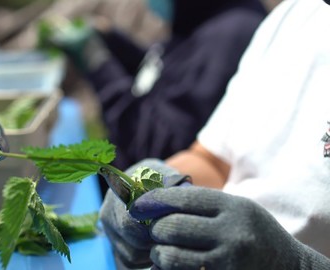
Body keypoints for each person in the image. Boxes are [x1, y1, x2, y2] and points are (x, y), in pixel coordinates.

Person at [99, 0, 330, 268]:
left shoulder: (231, 31)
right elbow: (214, 160)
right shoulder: (299, 14)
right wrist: (158, 179)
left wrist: (296, 264)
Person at [44, 0, 267, 172]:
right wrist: (115, 45)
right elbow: (166, 82)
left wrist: (98, 63)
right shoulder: (201, 19)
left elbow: (157, 147)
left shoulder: (229, 36)